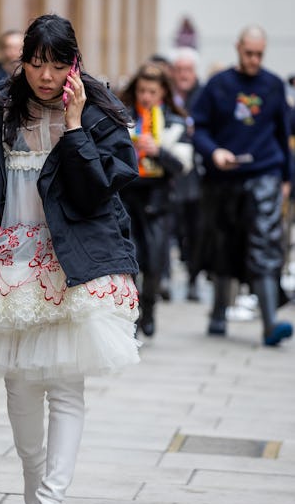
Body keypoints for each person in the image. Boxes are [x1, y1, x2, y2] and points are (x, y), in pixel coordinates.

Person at [0, 14, 140, 504]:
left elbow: (97, 193)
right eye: (37, 61)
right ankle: (37, 498)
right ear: (24, 60)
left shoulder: (100, 118)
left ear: (73, 64)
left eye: (58, 63)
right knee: (20, 393)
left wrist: (75, 127)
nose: (46, 74)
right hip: (9, 264)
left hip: (73, 262)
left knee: (65, 389)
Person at [191, 25, 293, 346]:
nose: (254, 59)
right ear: (238, 48)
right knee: (223, 242)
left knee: (264, 244)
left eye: (260, 54)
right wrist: (214, 152)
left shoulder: (274, 86)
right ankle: (219, 313)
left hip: (264, 173)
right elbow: (200, 129)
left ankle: (269, 323)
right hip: (223, 177)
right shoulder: (218, 86)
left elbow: (283, 136)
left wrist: (288, 180)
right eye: (249, 53)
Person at [120, 62, 189, 336]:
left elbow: (184, 165)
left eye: (152, 91)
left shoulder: (174, 122)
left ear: (162, 93)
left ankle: (149, 308)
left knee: (155, 259)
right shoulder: (123, 118)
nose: (146, 96)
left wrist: (158, 151)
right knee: (131, 257)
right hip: (127, 194)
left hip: (158, 198)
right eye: (141, 90)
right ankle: (133, 314)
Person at [169, 46, 204, 301]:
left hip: (196, 171)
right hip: (169, 170)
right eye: (179, 69)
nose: (183, 75)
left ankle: (193, 277)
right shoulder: (167, 95)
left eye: (188, 70)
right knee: (171, 226)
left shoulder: (203, 96)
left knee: (195, 228)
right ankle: (165, 278)